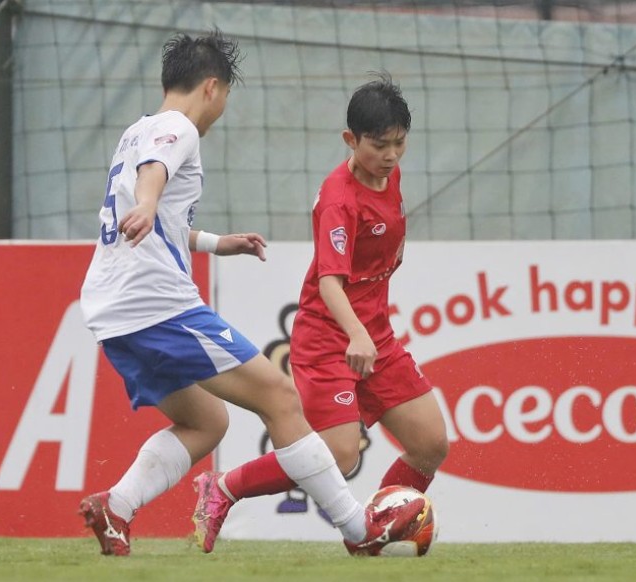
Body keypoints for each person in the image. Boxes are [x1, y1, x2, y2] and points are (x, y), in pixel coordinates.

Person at [77, 32, 423, 557]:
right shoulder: (177, 128)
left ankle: (117, 506)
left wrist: (216, 243)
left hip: (111, 312)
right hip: (157, 306)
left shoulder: (136, 132)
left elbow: (152, 219)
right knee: (279, 398)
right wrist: (148, 202)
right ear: (212, 88)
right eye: (227, 96)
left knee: (206, 421)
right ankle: (360, 529)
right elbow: (154, 181)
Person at [191, 72, 448, 555]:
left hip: (375, 335)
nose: (391, 155)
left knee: (431, 442)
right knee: (338, 455)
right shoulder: (338, 200)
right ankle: (223, 488)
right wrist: (356, 334)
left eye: (399, 143)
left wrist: (392, 260)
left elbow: (387, 227)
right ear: (351, 140)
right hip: (331, 339)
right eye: (379, 145)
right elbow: (330, 280)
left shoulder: (388, 174)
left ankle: (374, 532)